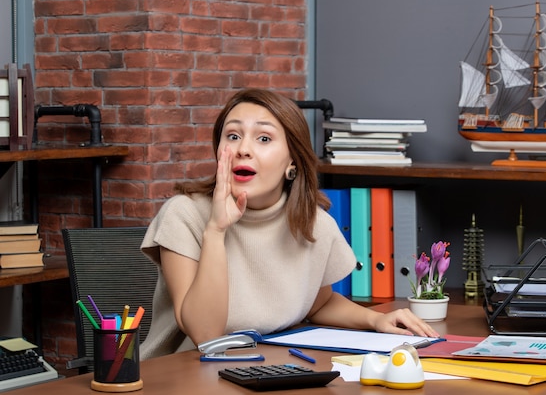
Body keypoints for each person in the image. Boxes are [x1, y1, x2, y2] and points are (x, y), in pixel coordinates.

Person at [139, 88, 439, 359]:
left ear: (292, 161)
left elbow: (318, 305)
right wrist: (216, 231)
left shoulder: (314, 224)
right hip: (179, 377)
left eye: (264, 138)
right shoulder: (185, 214)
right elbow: (205, 335)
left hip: (266, 367)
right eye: (232, 136)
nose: (243, 149)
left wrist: (375, 320)